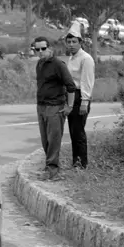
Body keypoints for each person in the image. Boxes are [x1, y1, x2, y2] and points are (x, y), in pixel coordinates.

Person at [34, 36, 76, 180]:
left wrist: (69, 106)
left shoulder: (58, 64)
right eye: (37, 49)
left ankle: (53, 171)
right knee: (45, 139)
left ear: (50, 48)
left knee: (54, 140)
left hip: (55, 106)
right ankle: (48, 167)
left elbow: (71, 86)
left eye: (43, 48)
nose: (40, 52)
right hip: (41, 106)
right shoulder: (39, 64)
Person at [64, 22, 95, 169]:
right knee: (73, 131)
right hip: (71, 96)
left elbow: (86, 81)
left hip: (80, 96)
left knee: (79, 131)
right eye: (69, 42)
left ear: (80, 42)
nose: (71, 45)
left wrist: (85, 101)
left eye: (74, 42)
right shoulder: (71, 58)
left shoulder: (86, 59)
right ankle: (75, 161)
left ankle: (82, 163)